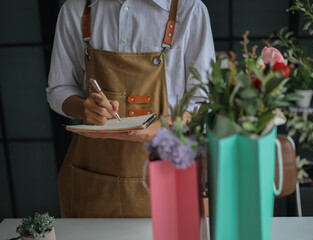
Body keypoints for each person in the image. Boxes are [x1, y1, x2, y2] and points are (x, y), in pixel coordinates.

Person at [46, 0, 215, 218]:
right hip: (94, 179)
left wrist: (164, 127)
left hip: (169, 172)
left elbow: (205, 101)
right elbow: (58, 88)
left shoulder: (189, 10)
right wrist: (82, 109)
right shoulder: (76, 9)